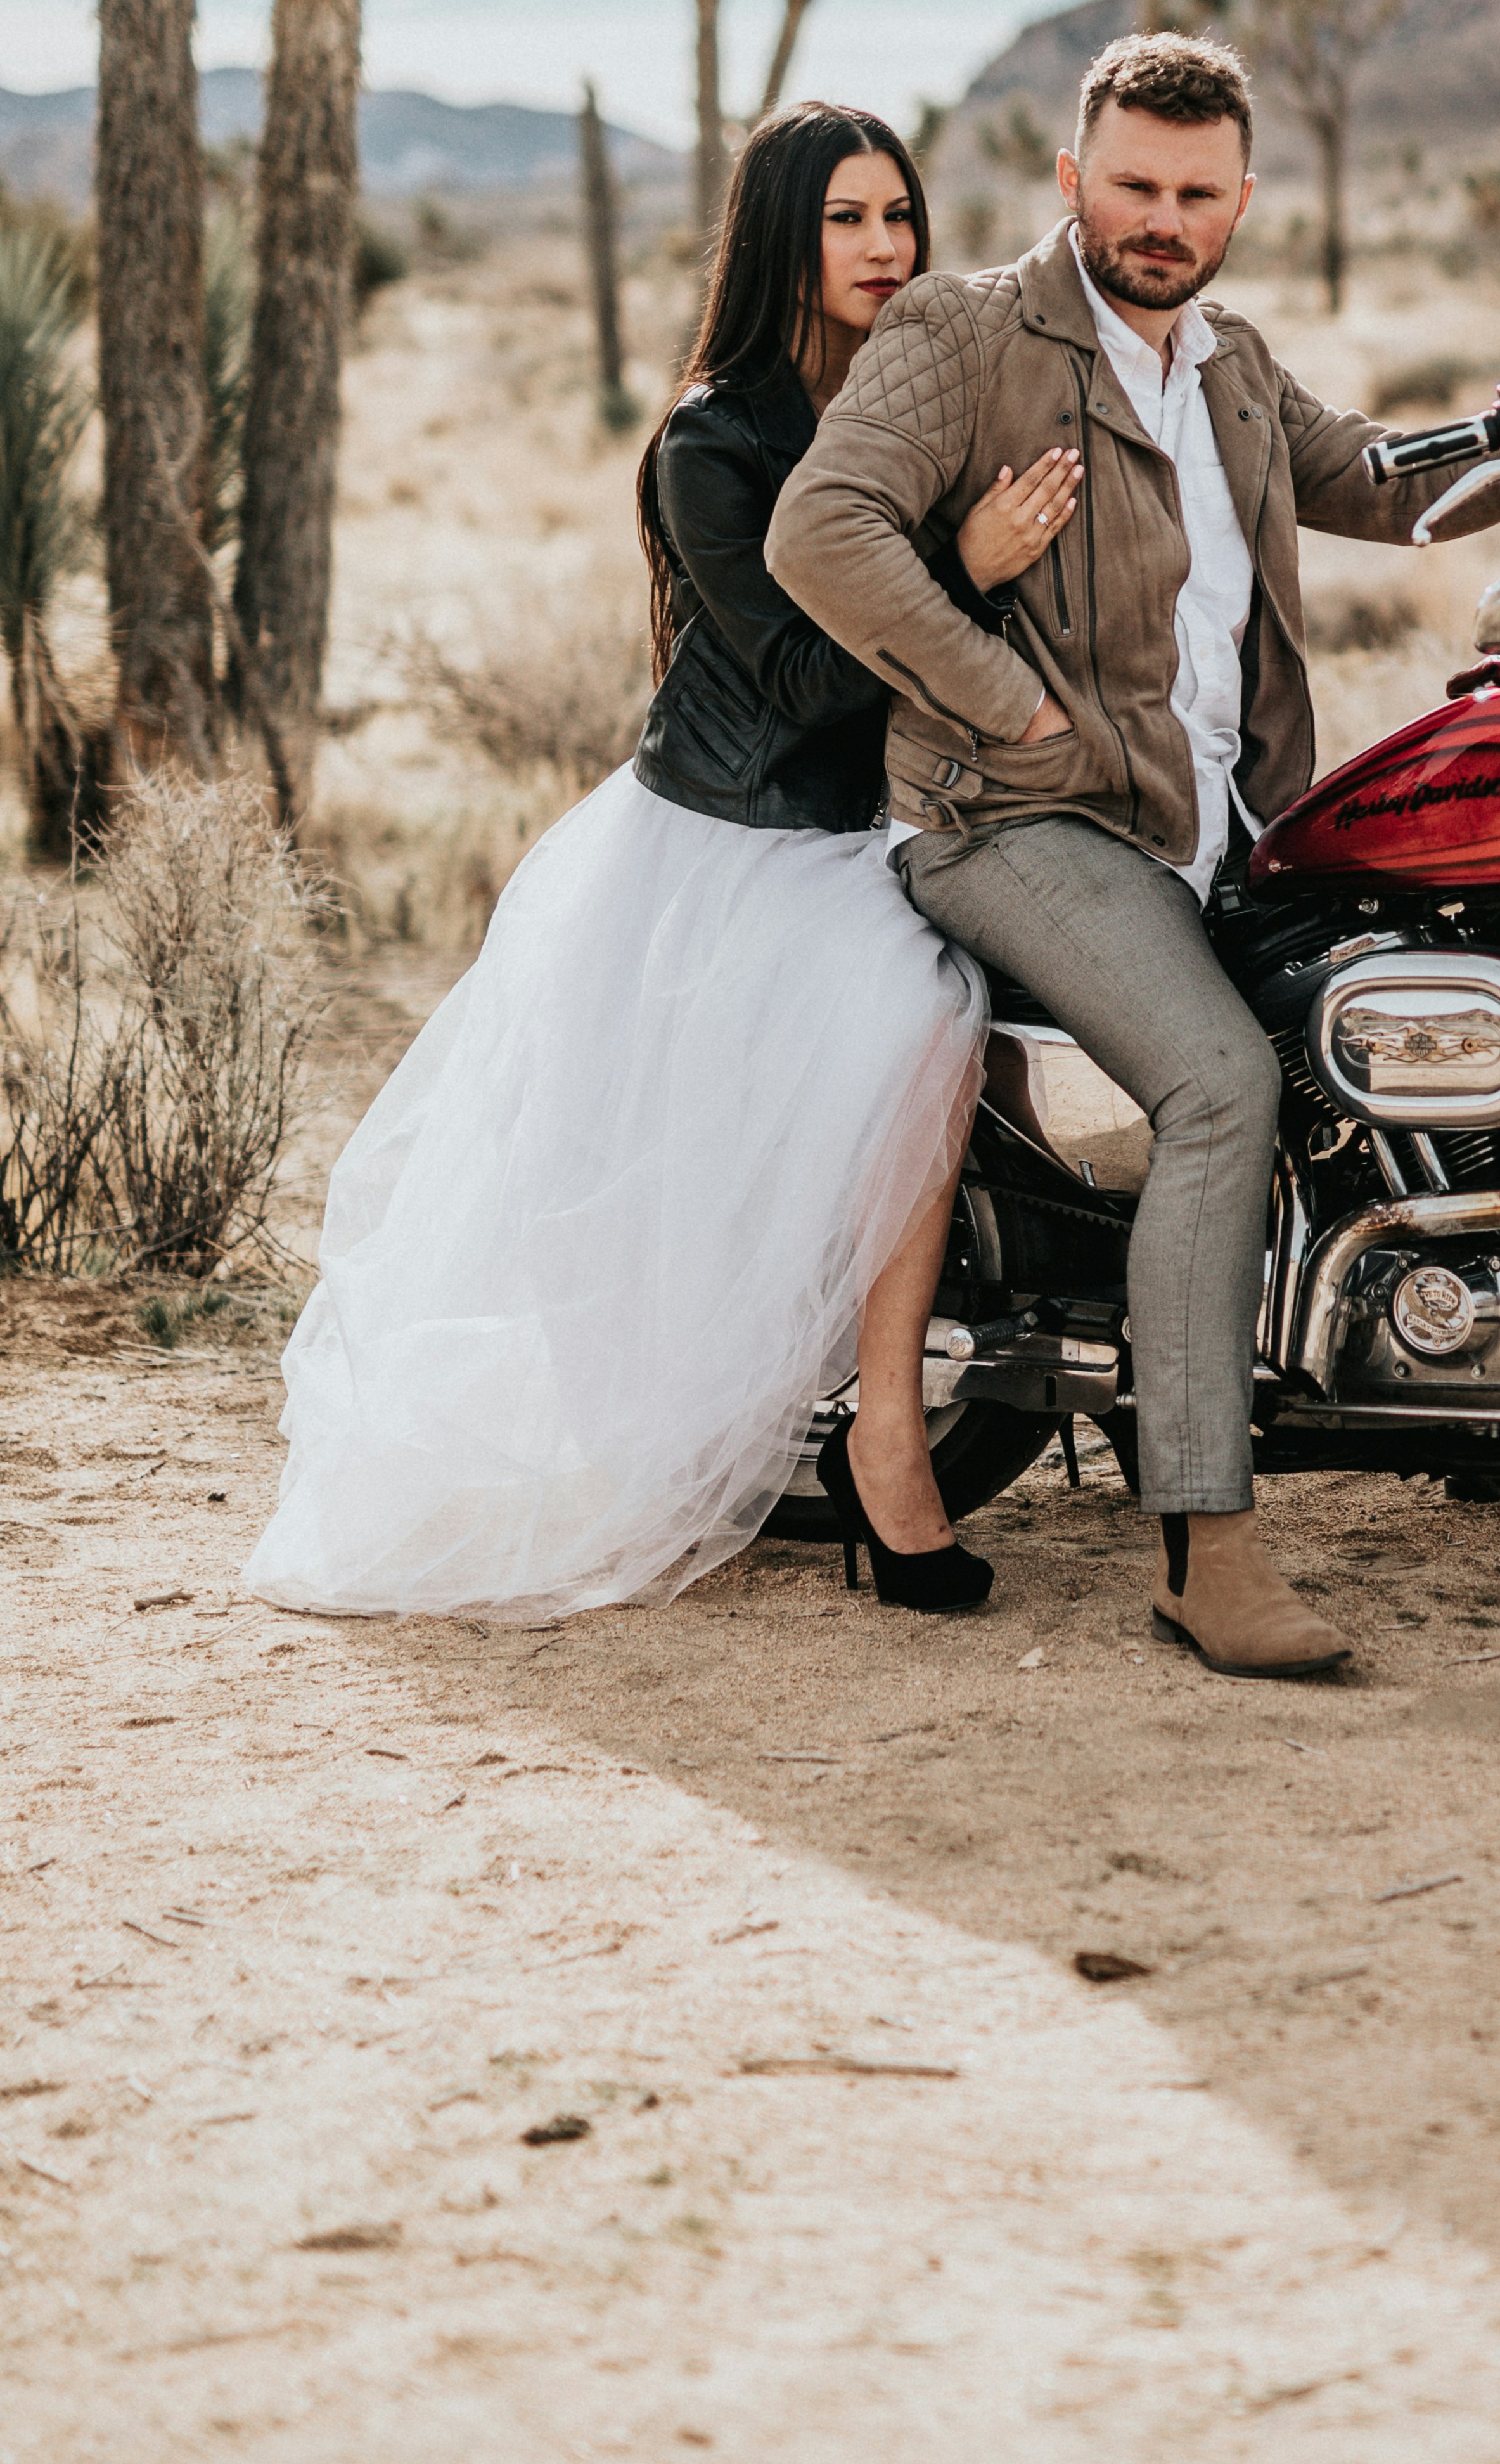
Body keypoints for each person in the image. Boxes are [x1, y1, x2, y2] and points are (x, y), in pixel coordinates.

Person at [767, 30, 1500, 1680]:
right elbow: (821, 528)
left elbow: (1391, 487)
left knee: (1445, 986)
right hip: (1015, 820)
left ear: (1241, 202)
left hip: (1226, 831)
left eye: (1197, 192)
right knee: (1220, 1082)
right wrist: (1003, 697)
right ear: (1076, 180)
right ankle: (1209, 1549)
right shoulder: (963, 331)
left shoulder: (1233, 369)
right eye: (1133, 183)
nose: (1163, 216)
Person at [245, 101, 1077, 1629]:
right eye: (845, 219)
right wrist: (959, 567)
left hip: (870, 829)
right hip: (736, 845)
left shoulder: (915, 405)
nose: (885, 247)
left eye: (899, 215)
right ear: (780, 235)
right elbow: (796, 688)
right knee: (926, 1032)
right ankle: (888, 1445)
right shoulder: (716, 439)